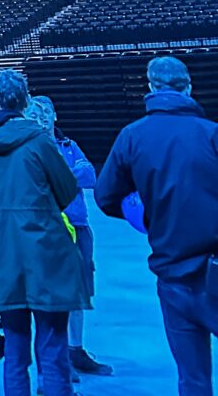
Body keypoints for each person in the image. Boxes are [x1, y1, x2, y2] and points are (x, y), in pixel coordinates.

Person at [95, 54, 218, 396]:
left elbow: (105, 197)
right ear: (189, 87)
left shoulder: (132, 137)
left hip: (172, 275)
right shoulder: (212, 134)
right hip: (215, 269)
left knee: (192, 379)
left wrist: (146, 215)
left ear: (150, 87)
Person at [0, 68, 87, 396]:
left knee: (15, 353)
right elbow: (67, 191)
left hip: (3, 259)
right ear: (26, 99)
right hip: (47, 256)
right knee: (53, 348)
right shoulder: (39, 140)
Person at [25, 96, 112, 376]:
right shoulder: (29, 149)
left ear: (55, 116)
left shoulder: (68, 145)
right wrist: (70, 175)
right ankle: (56, 359)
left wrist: (62, 176)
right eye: (35, 113)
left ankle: (76, 350)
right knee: (53, 295)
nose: (43, 118)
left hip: (78, 226)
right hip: (48, 230)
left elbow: (90, 176)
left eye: (47, 112)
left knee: (79, 292)